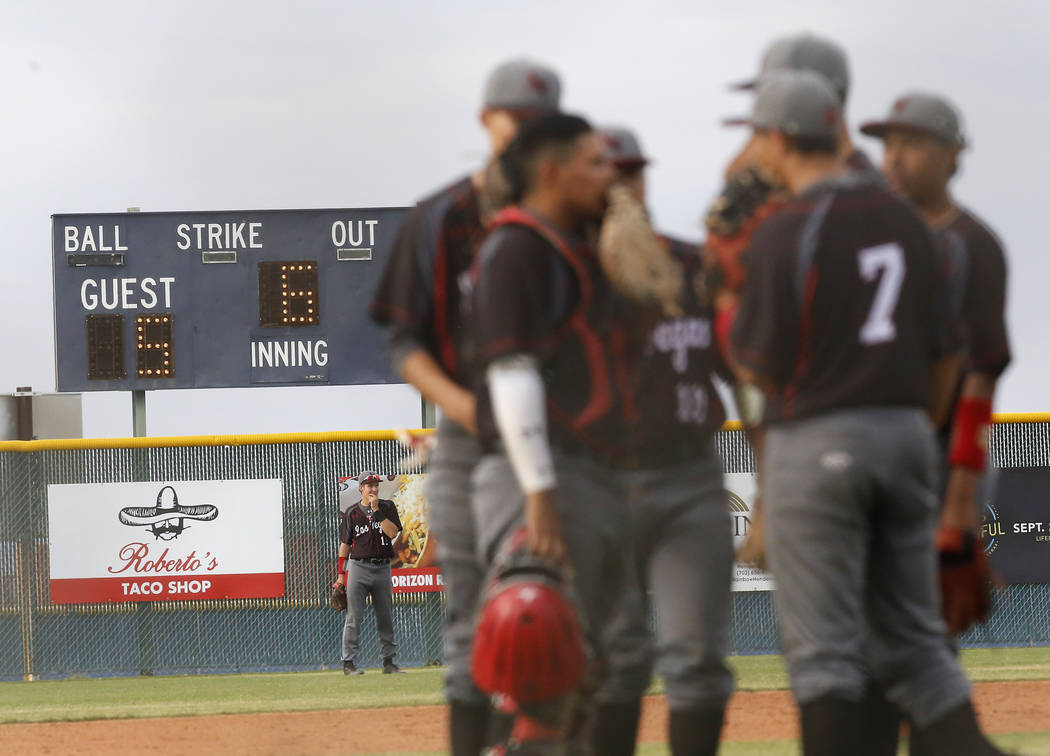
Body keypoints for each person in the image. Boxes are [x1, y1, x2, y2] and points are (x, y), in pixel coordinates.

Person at [728, 70, 1006, 755]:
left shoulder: (782, 228)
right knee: (916, 648)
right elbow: (950, 359)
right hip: (908, 435)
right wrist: (912, 424)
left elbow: (757, 369)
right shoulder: (911, 225)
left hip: (818, 441)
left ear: (778, 139)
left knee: (826, 659)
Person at [368, 58, 561, 755]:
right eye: (520, 122)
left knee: (532, 607)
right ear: (489, 122)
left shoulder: (572, 215)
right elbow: (402, 337)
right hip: (464, 433)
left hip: (555, 437)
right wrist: (463, 408)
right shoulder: (440, 216)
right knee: (466, 619)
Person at [468, 112, 650, 751]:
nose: (610, 175)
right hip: (536, 472)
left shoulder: (577, 242)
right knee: (533, 632)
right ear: (552, 172)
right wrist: (538, 491)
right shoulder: (517, 247)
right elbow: (512, 372)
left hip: (584, 469)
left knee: (599, 655)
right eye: (594, 163)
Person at [853, 93, 1013, 754]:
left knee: (922, 632)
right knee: (861, 641)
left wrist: (960, 493)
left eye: (913, 142)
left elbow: (982, 370)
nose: (894, 155)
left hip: (943, 458)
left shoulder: (973, 244)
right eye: (887, 142)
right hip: (866, 454)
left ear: (952, 155)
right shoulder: (867, 237)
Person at [599, 126, 735, 755]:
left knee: (696, 660)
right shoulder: (566, 277)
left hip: (689, 479)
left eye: (632, 171)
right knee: (614, 659)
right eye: (608, 172)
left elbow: (747, 374)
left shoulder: (690, 266)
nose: (623, 184)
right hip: (597, 485)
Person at [333, 472, 405, 675]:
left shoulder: (388, 507)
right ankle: (348, 663)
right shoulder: (352, 512)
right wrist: (340, 575)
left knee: (385, 616)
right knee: (354, 616)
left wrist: (377, 512)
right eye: (369, 485)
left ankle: (388, 663)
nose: (373, 489)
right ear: (361, 489)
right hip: (358, 567)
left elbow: (392, 533)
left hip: (382, 567)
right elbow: (345, 545)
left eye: (375, 485)